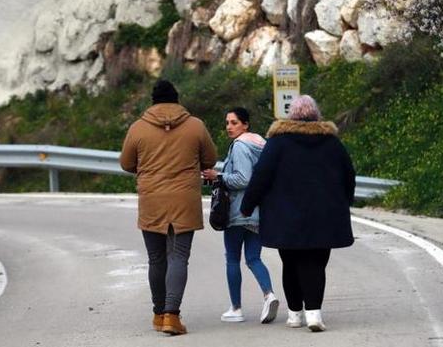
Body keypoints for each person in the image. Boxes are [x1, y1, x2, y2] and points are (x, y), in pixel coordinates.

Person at [240, 95, 355, 332]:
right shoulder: (331, 142)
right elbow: (348, 175)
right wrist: (345, 200)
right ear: (316, 115)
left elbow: (261, 176)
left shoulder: (278, 142)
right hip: (324, 215)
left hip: (285, 216)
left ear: (291, 115)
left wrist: (247, 205)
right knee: (316, 263)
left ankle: (294, 315)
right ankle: (314, 314)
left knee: (290, 262)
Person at [120, 79, 217, 336]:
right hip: (185, 199)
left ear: (153, 101)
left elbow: (127, 163)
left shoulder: (138, 128)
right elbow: (210, 158)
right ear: (177, 100)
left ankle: (158, 313)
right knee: (179, 257)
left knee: (156, 258)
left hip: (151, 199)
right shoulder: (195, 125)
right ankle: (172, 317)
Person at [202, 107, 279, 324]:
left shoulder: (240, 146)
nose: (229, 127)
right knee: (254, 258)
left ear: (245, 125)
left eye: (234, 122)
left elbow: (243, 179)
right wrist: (216, 177)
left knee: (233, 259)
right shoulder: (261, 146)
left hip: (237, 211)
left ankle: (236, 308)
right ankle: (269, 294)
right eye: (227, 123)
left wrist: (219, 175)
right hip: (257, 211)